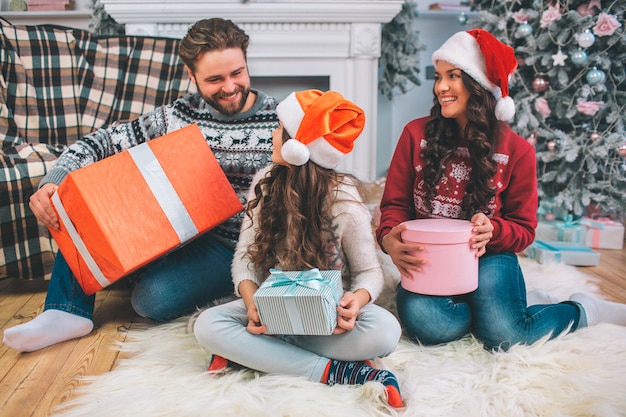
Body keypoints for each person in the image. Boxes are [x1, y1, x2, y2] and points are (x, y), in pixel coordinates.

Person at [3, 18, 280, 353]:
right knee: (83, 200)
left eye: (237, 73)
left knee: (150, 300)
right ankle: (65, 310)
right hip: (174, 226)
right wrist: (54, 180)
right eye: (214, 79)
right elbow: (101, 141)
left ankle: (208, 285)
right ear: (191, 77)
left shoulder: (280, 120)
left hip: (233, 247)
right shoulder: (176, 117)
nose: (230, 86)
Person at [376, 28, 626, 352]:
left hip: (490, 257)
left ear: (478, 85)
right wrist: (388, 239)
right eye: (438, 77)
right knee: (428, 325)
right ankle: (500, 307)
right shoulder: (415, 134)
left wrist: (493, 230)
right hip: (432, 258)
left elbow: (524, 229)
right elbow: (395, 204)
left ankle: (581, 309)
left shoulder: (518, 151)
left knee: (506, 336)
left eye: (453, 76)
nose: (441, 87)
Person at [193, 89, 403, 408]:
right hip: (271, 313)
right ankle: (337, 371)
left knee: (386, 332)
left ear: (296, 145)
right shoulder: (264, 183)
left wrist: (355, 302)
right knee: (207, 325)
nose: (273, 135)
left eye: (280, 128)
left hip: (327, 319)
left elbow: (368, 271)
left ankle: (260, 356)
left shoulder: (344, 199)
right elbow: (244, 263)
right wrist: (252, 304)